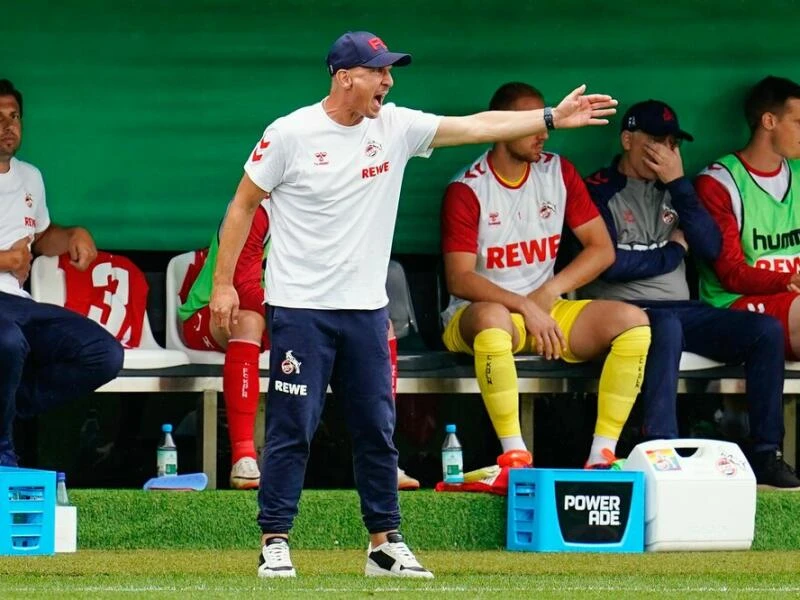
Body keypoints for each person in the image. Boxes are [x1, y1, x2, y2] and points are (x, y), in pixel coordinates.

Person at [209, 31, 618, 579]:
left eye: (389, 71)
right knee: (293, 427)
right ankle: (275, 540)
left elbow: (476, 125)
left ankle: (383, 543)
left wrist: (548, 118)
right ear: (344, 76)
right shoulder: (290, 133)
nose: (389, 81)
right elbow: (241, 206)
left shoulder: (396, 127)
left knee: (377, 427)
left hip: (366, 311)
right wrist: (224, 285)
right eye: (378, 71)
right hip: (302, 309)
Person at [581, 98, 800, 489]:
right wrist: (673, 252)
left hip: (682, 308)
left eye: (674, 142)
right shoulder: (598, 189)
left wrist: (679, 184)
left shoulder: (676, 191)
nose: (667, 150)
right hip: (621, 313)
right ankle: (660, 451)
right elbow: (609, 264)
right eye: (656, 140)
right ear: (628, 139)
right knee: (665, 326)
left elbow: (712, 249)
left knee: (764, 331)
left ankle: (766, 453)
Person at [441, 82, 651, 476]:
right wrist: (524, 304)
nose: (543, 132)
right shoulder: (467, 187)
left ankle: (601, 456)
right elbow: (459, 278)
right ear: (502, 127)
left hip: (543, 309)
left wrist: (549, 292)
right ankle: (514, 455)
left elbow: (601, 249)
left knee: (634, 323)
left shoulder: (558, 170)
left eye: (545, 121)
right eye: (531, 123)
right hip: (480, 314)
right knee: (491, 320)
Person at [179, 203, 420, 491]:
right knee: (247, 321)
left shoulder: (330, 210)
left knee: (380, 326)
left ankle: (383, 460)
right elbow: (244, 288)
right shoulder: (256, 210)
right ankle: (243, 457)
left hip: (291, 316)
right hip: (212, 313)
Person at [0, 79, 124, 467]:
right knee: (8, 343)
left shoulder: (29, 177)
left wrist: (73, 235)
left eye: (14, 116)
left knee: (103, 354)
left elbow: (40, 236)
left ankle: (9, 402)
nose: (8, 126)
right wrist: (5, 261)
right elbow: (16, 256)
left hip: (19, 303)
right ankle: (4, 456)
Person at [695, 76, 800, 360]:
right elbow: (731, 275)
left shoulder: (798, 174)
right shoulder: (719, 182)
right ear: (769, 121)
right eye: (799, 123)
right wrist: (788, 279)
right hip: (735, 304)